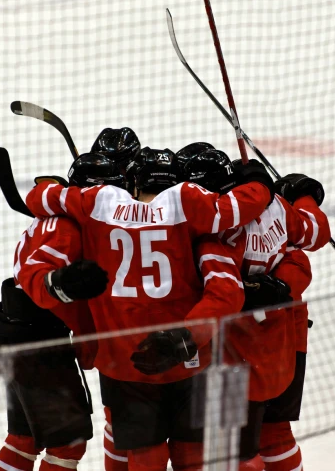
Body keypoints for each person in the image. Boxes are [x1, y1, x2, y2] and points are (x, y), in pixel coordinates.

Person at [23, 147, 276, 471]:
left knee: (145, 460)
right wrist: (257, 182)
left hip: (128, 365)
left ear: (135, 185)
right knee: (194, 460)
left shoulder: (100, 200)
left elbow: (41, 199)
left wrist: (54, 189)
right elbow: (234, 211)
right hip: (188, 360)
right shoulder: (187, 201)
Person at [179, 144, 330, 471]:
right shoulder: (277, 208)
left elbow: (224, 293)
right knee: (276, 435)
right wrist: (301, 195)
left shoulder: (213, 235)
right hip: (284, 347)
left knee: (233, 448)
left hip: (234, 353)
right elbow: (314, 236)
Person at [0, 153, 123, 471]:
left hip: (12, 328)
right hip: (42, 342)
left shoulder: (55, 216)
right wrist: (61, 284)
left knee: (24, 437)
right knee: (68, 442)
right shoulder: (68, 231)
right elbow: (41, 278)